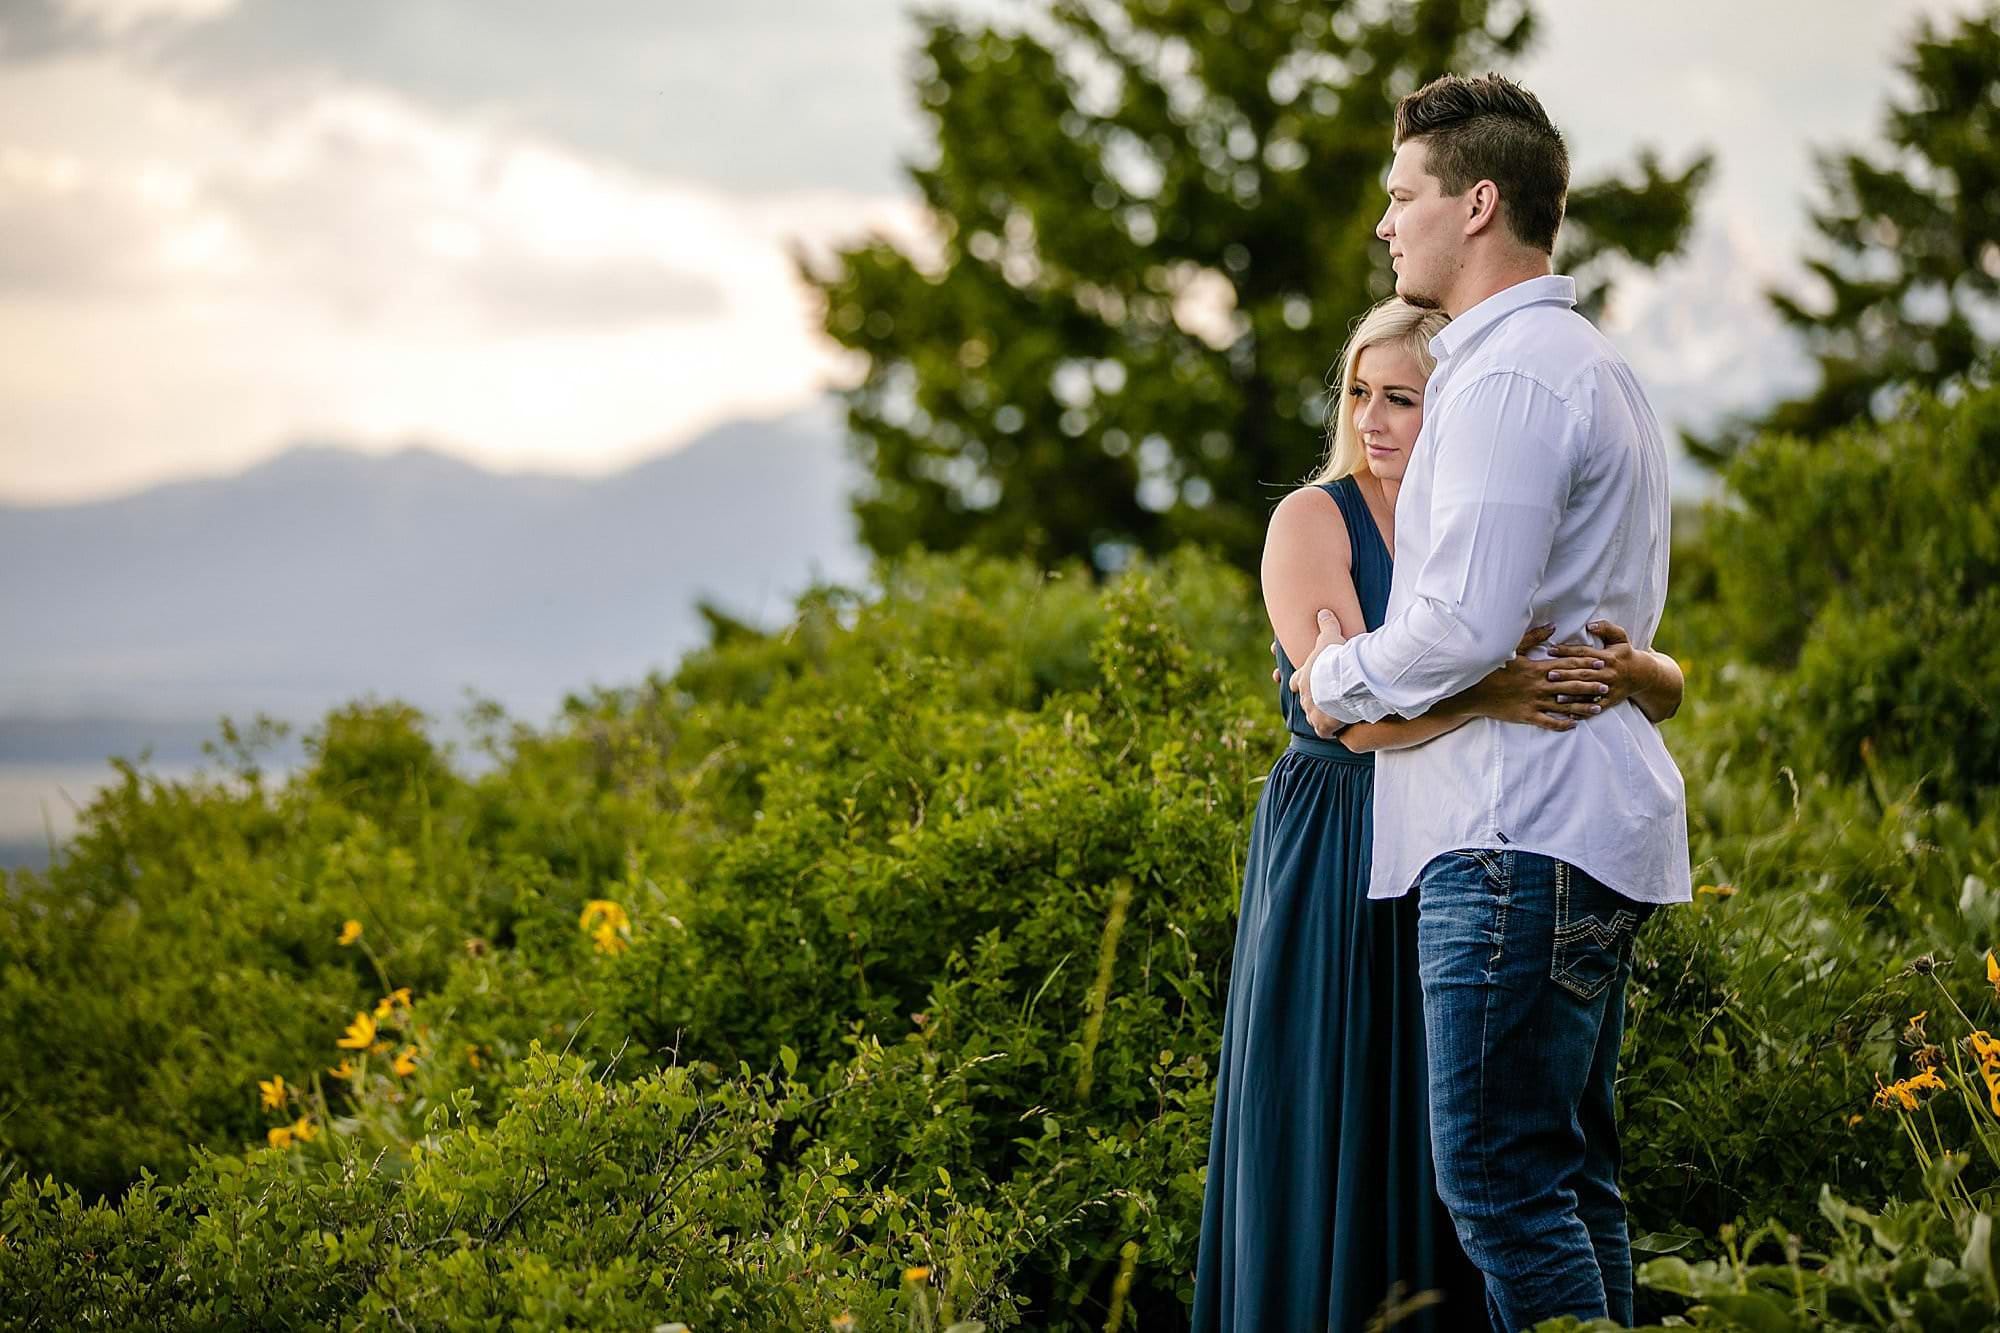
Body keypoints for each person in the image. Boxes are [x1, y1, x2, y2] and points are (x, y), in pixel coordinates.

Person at [1192, 295, 1683, 1332]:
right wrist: (1491, 692)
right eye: (1359, 394)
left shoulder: (1468, 519)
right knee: (1348, 1111)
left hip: (1457, 834)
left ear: (1447, 406)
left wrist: (1631, 667)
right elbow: (1351, 721)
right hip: (1339, 837)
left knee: (1472, 1147)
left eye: (1401, 398)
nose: (1373, 419)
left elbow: (1605, 653)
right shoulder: (1310, 519)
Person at [1293, 74, 1692, 1332]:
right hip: (1566, 827)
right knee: (1570, 1183)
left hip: (1513, 834)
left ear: (1475, 203)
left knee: (1500, 1186)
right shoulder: (1584, 367)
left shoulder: (1512, 376)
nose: (1383, 222)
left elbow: (1462, 628)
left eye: (1400, 194)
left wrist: (1326, 680)